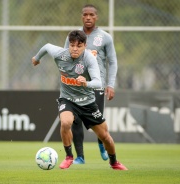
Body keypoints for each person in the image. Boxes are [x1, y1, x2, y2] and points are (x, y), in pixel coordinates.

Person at [32, 30, 127, 170]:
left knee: (105, 136)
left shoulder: (89, 59)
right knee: (65, 122)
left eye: (79, 45)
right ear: (68, 45)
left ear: (85, 46)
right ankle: (69, 156)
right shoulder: (60, 54)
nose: (75, 49)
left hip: (87, 103)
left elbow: (98, 83)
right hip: (67, 99)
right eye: (72, 45)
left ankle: (114, 162)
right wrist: (37, 58)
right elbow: (46, 46)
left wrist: (86, 83)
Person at [64, 4, 118, 164]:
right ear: (82, 16)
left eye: (91, 15)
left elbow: (113, 62)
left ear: (96, 17)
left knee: (97, 120)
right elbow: (64, 57)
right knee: (75, 120)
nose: (88, 17)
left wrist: (111, 84)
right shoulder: (73, 36)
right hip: (75, 85)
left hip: (96, 85)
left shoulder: (105, 37)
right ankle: (80, 156)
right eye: (85, 14)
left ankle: (102, 143)